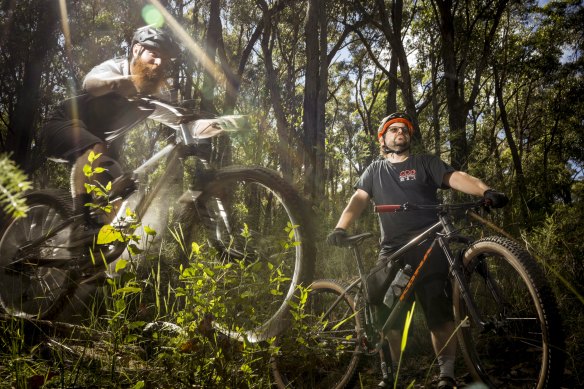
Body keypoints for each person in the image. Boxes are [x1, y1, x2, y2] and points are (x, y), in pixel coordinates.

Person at [327, 113, 508, 389]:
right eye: (394, 130)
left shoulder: (425, 163)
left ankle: (446, 374)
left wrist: (485, 190)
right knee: (389, 317)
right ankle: (392, 376)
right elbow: (358, 199)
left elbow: (456, 177)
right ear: (383, 138)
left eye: (405, 130)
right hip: (392, 252)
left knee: (440, 313)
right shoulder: (374, 170)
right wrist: (340, 227)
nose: (400, 133)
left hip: (431, 246)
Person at [41, 26, 180, 241]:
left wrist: (215, 124)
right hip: (61, 124)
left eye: (165, 59)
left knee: (119, 193)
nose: (159, 63)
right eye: (154, 54)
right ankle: (80, 222)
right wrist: (118, 83)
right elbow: (90, 84)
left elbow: (176, 118)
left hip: (98, 147)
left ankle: (89, 256)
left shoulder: (156, 94)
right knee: (96, 147)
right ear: (136, 50)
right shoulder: (117, 67)